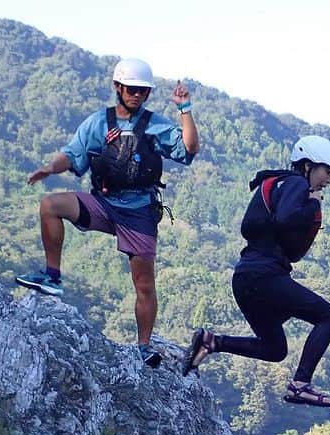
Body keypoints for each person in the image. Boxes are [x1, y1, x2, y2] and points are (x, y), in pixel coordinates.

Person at [20, 58, 200, 368]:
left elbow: (189, 150)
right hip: (103, 203)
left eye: (143, 91)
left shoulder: (155, 125)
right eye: (131, 90)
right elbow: (73, 154)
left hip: (139, 211)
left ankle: (144, 346)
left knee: (143, 284)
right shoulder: (97, 123)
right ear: (117, 87)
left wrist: (185, 110)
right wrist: (50, 168)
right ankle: (52, 276)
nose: (137, 96)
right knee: (51, 205)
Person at [181, 135, 330, 406]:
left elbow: (285, 238)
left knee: (275, 348)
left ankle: (211, 342)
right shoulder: (296, 184)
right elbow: (285, 218)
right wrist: (314, 204)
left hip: (246, 278)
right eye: (326, 171)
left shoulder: (277, 183)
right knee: (329, 317)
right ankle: (300, 385)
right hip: (264, 276)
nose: (329, 179)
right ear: (307, 166)